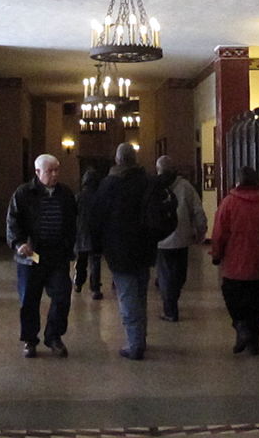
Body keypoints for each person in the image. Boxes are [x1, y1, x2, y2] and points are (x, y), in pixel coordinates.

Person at [6, 153, 78, 358]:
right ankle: (30, 340)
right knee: (29, 299)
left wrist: (70, 246)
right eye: (50, 171)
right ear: (38, 172)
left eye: (57, 170)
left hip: (57, 255)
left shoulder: (65, 194)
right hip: (31, 256)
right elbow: (12, 221)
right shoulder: (23, 193)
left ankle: (54, 336)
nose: (54, 174)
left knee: (62, 296)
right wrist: (19, 243)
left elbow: (72, 223)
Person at [91, 142, 155, 360]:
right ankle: (140, 338)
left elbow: (97, 217)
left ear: (117, 160)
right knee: (140, 295)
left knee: (128, 298)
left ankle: (135, 344)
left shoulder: (110, 184)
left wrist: (96, 246)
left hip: (120, 249)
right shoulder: (146, 182)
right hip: (144, 247)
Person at [211, 166, 259, 355]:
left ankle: (241, 328)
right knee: (256, 305)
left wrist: (217, 254)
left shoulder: (228, 203)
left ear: (238, 181)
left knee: (233, 299)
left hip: (235, 263)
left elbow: (219, 233)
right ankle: (253, 343)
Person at [155, 155, 208, 322]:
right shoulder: (186, 187)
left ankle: (170, 306)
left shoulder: (154, 187)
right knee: (178, 275)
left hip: (161, 240)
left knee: (165, 276)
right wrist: (201, 229)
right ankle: (171, 306)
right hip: (181, 239)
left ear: (158, 170)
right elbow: (197, 210)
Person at [73, 168, 104, 300]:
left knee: (81, 260)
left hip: (81, 232)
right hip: (96, 233)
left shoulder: (79, 197)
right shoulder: (100, 197)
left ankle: (78, 283)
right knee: (95, 262)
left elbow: (72, 214)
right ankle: (95, 288)